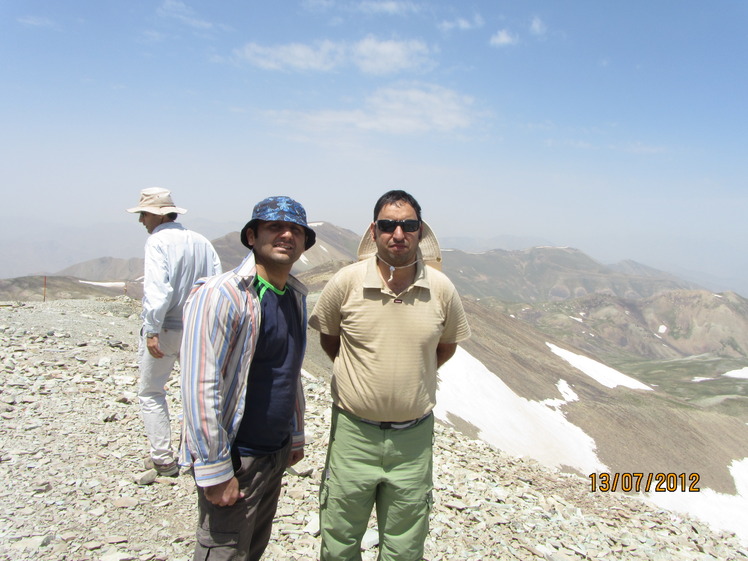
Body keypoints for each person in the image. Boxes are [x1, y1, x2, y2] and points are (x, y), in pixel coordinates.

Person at [309, 190, 471, 560]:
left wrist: (410, 374)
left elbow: (444, 347)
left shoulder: (442, 289)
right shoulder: (345, 282)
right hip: (353, 436)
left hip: (412, 443)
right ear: (374, 230)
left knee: (405, 547)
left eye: (408, 225)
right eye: (388, 225)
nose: (398, 234)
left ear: (419, 232)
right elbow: (330, 340)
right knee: (339, 540)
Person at [180, 196, 315, 561]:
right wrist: (214, 470)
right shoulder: (223, 295)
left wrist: (295, 435)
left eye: (296, 230)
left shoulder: (294, 297)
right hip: (237, 458)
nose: (287, 234)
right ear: (252, 236)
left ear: (304, 243)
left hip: (274, 454)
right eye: (275, 227)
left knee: (252, 549)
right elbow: (199, 384)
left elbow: (288, 370)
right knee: (223, 551)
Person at [127, 187, 222, 477]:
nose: (141, 220)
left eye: (143, 214)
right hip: (198, 328)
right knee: (196, 392)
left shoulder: (157, 242)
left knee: (152, 391)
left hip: (167, 326)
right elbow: (217, 282)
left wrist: (151, 329)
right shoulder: (201, 241)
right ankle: (196, 454)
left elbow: (158, 289)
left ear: (155, 215)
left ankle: (163, 458)